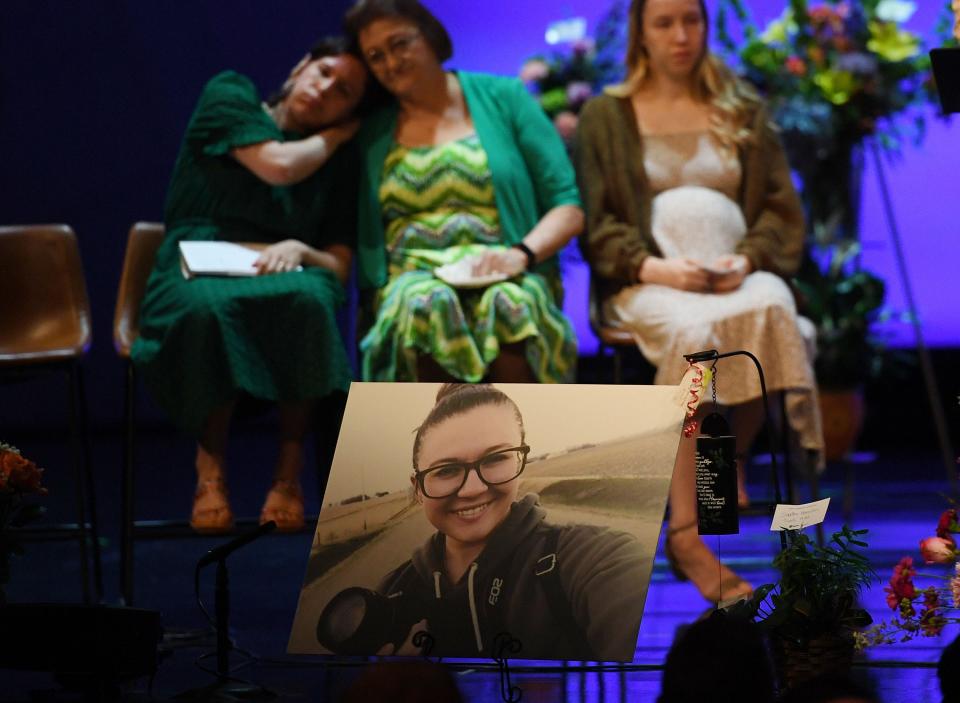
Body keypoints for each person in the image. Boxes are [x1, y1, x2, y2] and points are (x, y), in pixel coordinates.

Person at [575, 0, 823, 605]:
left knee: (781, 314)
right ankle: (687, 534)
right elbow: (597, 217)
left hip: (732, 274)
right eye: (664, 23)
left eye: (692, 20)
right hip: (651, 281)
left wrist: (748, 258)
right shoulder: (608, 115)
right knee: (699, 345)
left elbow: (777, 208)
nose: (681, 36)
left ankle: (742, 476)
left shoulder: (741, 105)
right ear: (640, 32)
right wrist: (653, 265)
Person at [132, 37, 371, 533]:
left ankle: (287, 475)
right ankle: (210, 469)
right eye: (324, 71)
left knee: (309, 301)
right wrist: (339, 135)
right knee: (210, 307)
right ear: (302, 63)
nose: (326, 89)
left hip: (288, 271)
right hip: (196, 262)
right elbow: (279, 166)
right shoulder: (230, 96)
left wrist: (303, 251)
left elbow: (340, 266)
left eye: (344, 91)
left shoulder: (343, 167)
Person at [344, 0, 584, 383]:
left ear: (431, 35)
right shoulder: (370, 131)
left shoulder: (505, 98)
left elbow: (567, 207)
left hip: (503, 265)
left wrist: (519, 255)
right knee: (427, 304)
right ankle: (439, 440)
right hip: (411, 276)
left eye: (399, 43)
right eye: (376, 55)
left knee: (510, 303)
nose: (391, 62)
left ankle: (523, 438)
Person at [368, 383, 646, 661]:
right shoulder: (392, 590)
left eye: (495, 459)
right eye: (447, 470)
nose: (472, 489)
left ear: (518, 460)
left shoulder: (596, 559)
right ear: (418, 488)